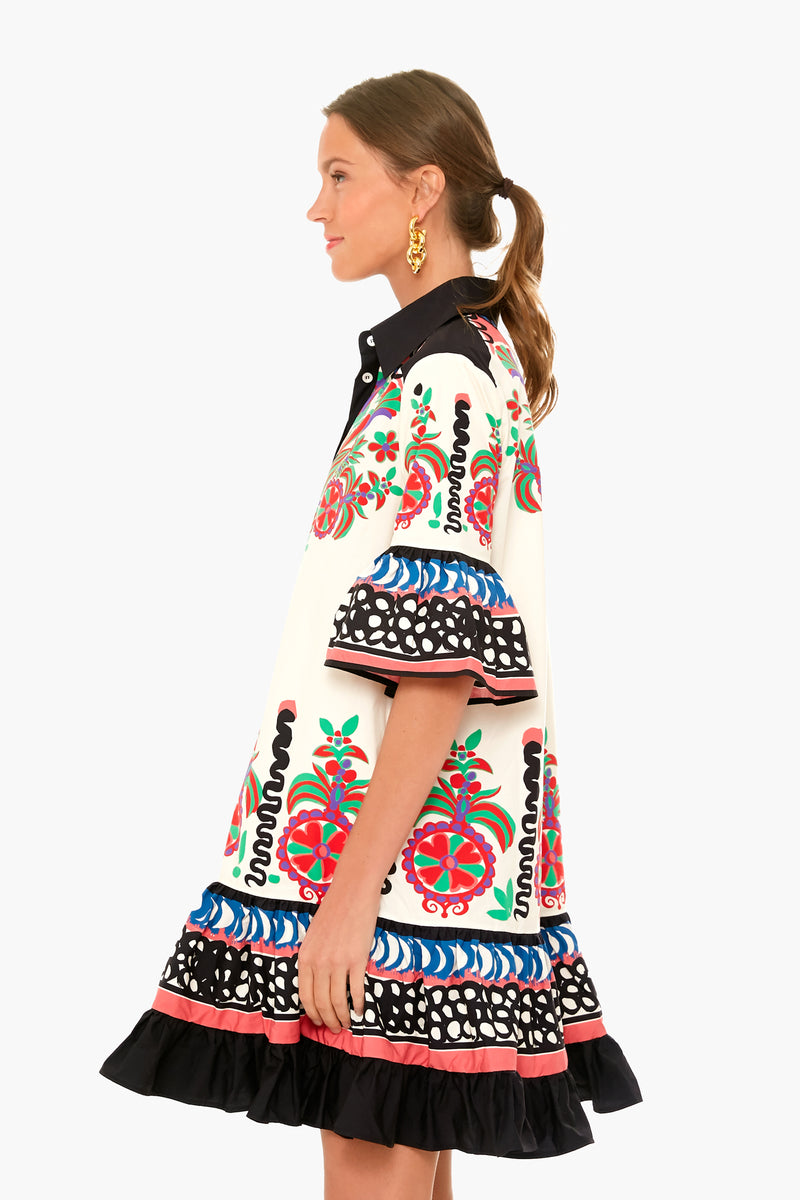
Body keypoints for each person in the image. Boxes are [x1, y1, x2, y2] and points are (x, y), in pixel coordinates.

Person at [100, 68, 642, 1200]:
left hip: (391, 875)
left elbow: (439, 671)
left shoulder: (446, 378)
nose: (318, 207)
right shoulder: (456, 361)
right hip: (407, 866)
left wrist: (351, 897)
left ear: (422, 189)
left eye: (340, 176)